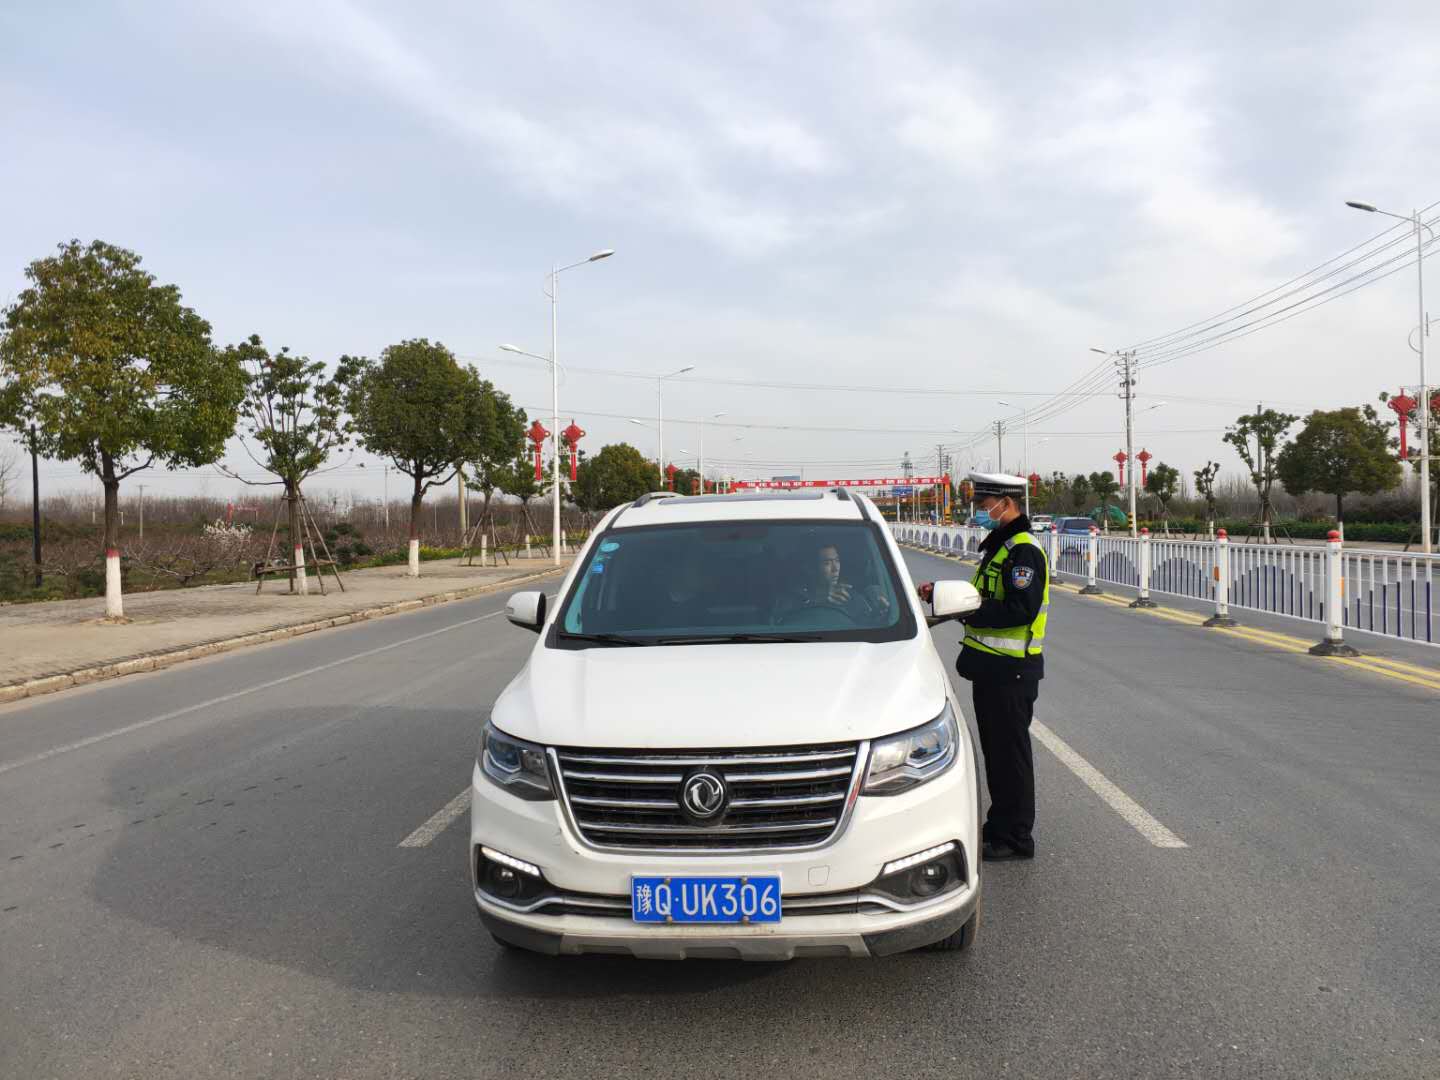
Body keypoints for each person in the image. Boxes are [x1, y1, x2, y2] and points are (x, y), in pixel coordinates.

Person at [919, 472, 1048, 861]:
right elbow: (982, 594)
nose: (979, 512)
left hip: (1011, 670)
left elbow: (1019, 609)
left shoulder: (1023, 551)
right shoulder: (1002, 547)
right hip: (993, 669)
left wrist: (969, 610)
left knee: (1010, 756)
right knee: (998, 754)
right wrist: (944, 596)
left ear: (1006, 504)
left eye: (984, 505)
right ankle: (1000, 826)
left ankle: (1016, 837)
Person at [778, 542, 890, 620]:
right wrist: (817, 600)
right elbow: (780, 619)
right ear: (811, 569)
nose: (835, 569)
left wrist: (880, 613)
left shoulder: (850, 596)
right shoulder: (792, 598)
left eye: (837, 561)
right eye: (827, 563)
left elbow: (867, 624)